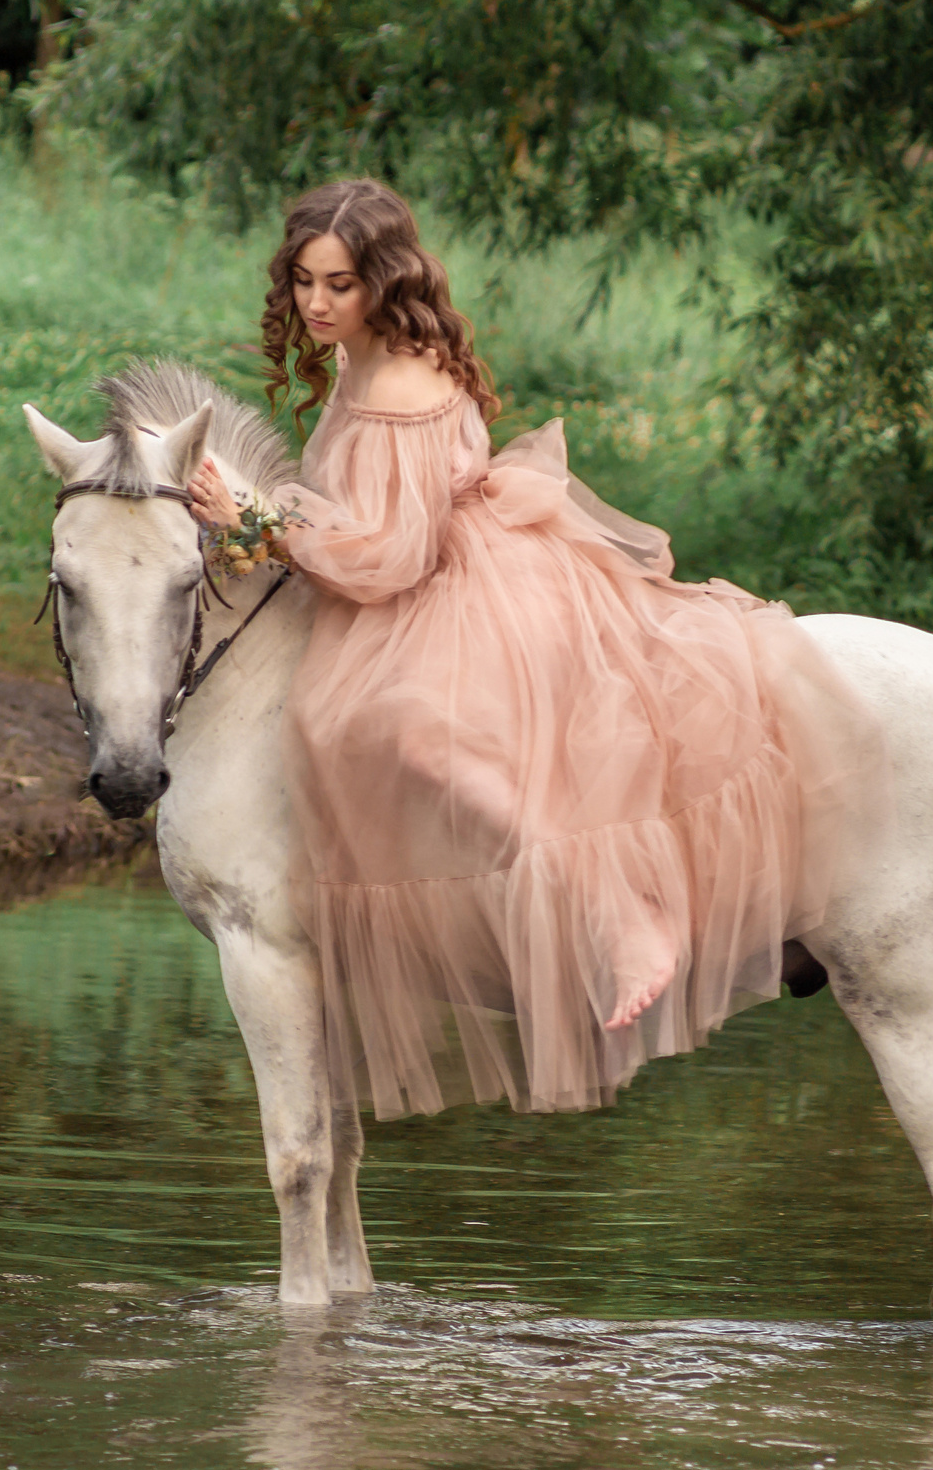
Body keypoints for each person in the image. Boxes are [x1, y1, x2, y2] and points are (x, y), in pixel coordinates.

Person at [184, 179, 880, 1120]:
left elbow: (392, 555)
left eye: (339, 284)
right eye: (304, 281)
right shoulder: (359, 357)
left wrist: (264, 525)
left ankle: (617, 911)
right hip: (422, 564)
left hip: (446, 582)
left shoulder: (401, 381)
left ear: (382, 282)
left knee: (401, 725)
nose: (315, 304)